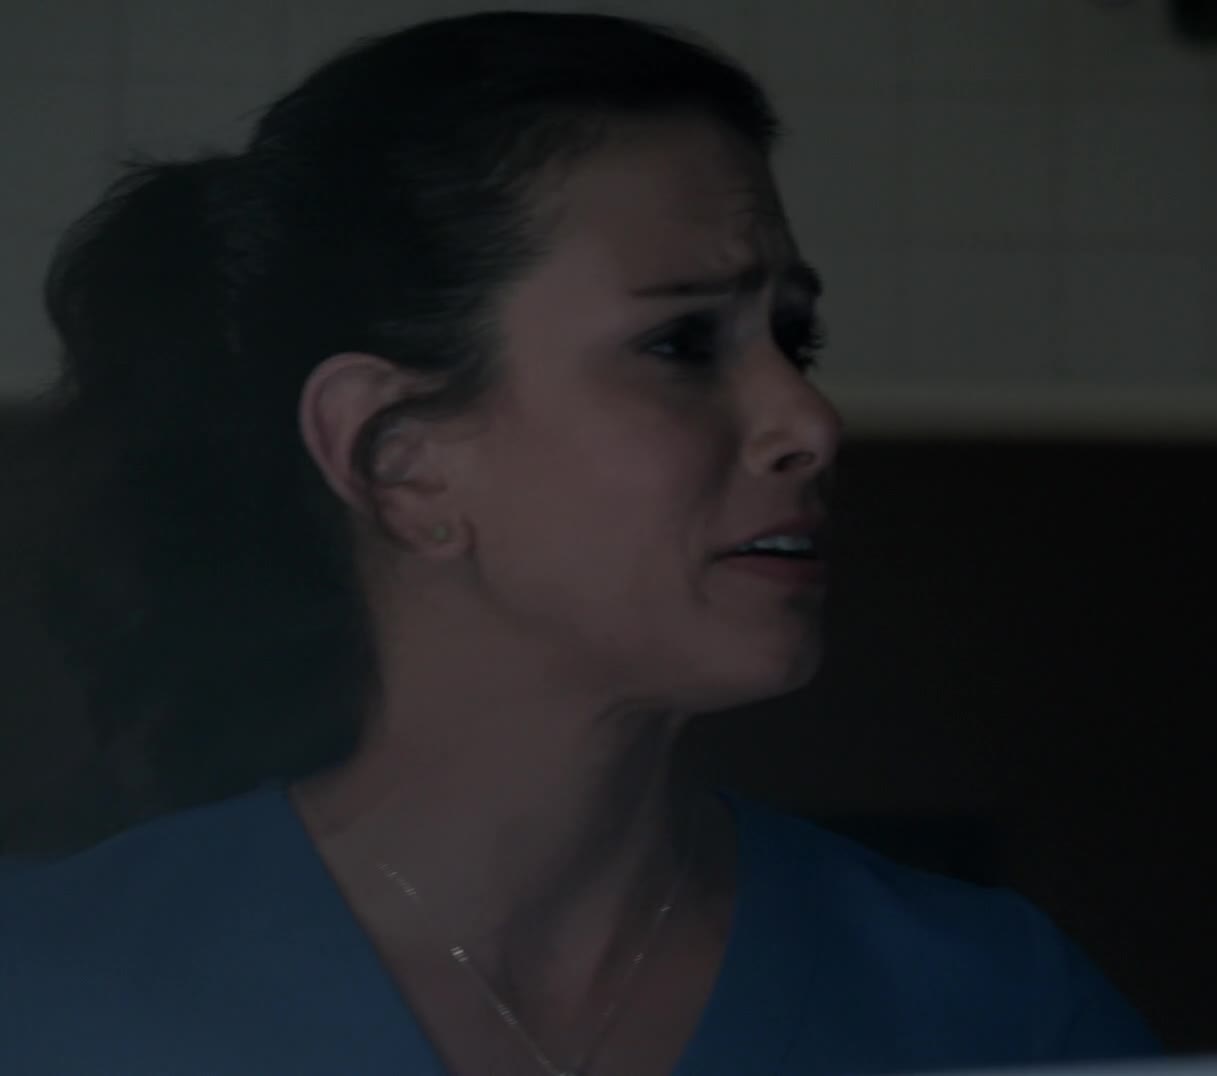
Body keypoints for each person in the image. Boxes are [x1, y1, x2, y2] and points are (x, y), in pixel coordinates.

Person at [0, 12, 1158, 1075]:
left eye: (793, 340)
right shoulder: (42, 993)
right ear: (398, 459)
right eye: (680, 343)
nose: (808, 421)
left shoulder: (991, 1002)